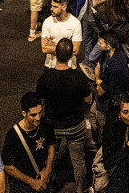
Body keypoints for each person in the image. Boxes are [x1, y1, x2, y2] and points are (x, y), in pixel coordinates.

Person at [35, 38, 92, 193]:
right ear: (70, 56)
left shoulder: (45, 78)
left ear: (56, 53)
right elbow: (88, 99)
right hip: (75, 125)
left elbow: (38, 100)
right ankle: (81, 189)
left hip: (52, 126)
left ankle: (48, 185)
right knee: (78, 160)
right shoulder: (78, 77)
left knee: (50, 158)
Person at [1, 91, 56, 193]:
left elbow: (51, 145)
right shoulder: (13, 136)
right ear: (24, 113)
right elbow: (7, 166)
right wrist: (31, 182)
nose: (38, 118)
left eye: (40, 112)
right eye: (33, 115)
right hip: (22, 184)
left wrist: (48, 169)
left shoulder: (46, 123)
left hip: (41, 176)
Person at [39, 0, 82, 68]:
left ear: (64, 7)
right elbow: (44, 49)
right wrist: (66, 48)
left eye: (55, 7)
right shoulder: (47, 22)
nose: (51, 9)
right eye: (51, 6)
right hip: (50, 66)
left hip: (69, 66)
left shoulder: (75, 23)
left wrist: (53, 46)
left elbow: (75, 50)